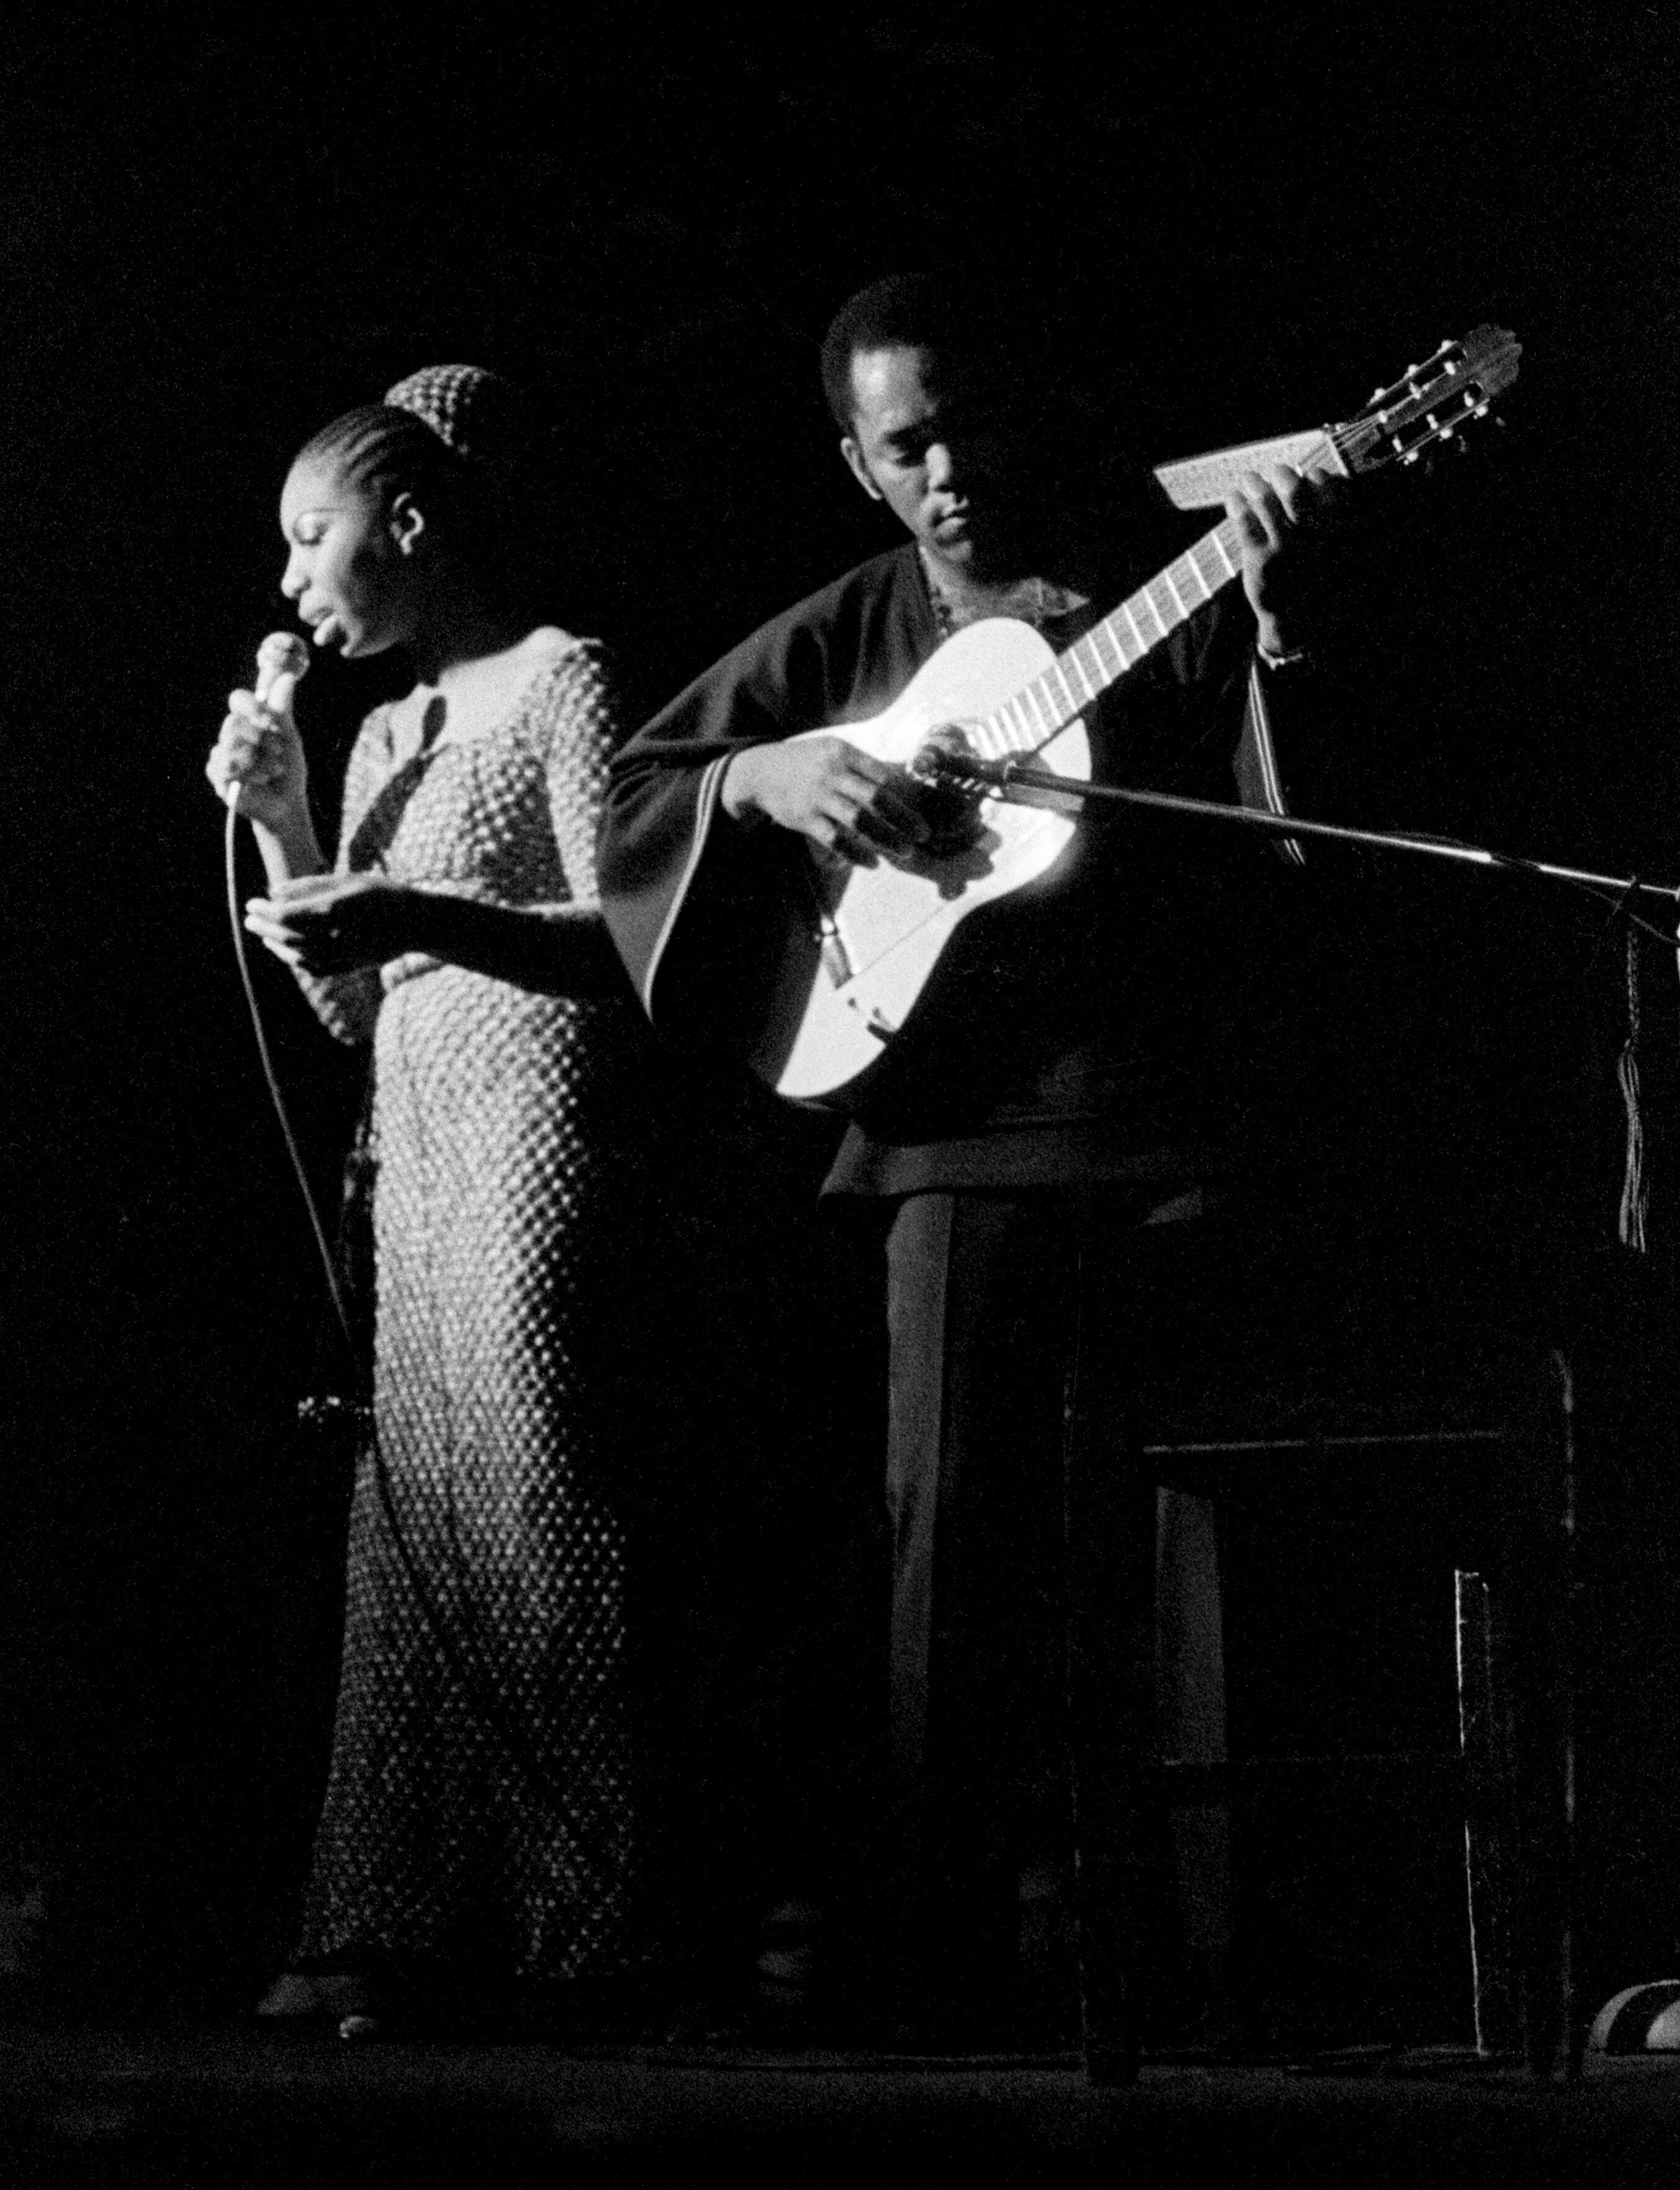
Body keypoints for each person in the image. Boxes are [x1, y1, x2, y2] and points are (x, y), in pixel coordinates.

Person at [597, 274, 1351, 2042]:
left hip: (1155, 1114)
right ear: (858, 465)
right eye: (903, 444)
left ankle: (1198, 1961)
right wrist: (770, 776)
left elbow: (1284, 821)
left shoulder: (1144, 569)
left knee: (1184, 1552)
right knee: (950, 1554)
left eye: (964, 426)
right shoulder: (851, 625)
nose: (946, 472)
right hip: (939, 1131)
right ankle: (940, 1964)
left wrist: (1276, 615)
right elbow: (647, 783)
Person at [206, 364, 691, 2038]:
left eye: (310, 535)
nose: (290, 579)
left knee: (540, 1493)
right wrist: (282, 825)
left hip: (540, 1127)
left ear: (408, 523)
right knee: (416, 1534)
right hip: (413, 1149)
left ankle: (592, 1925)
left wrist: (415, 906)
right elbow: (352, 1005)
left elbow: (626, 942)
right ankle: (400, 1922)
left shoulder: (566, 680)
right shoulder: (386, 730)